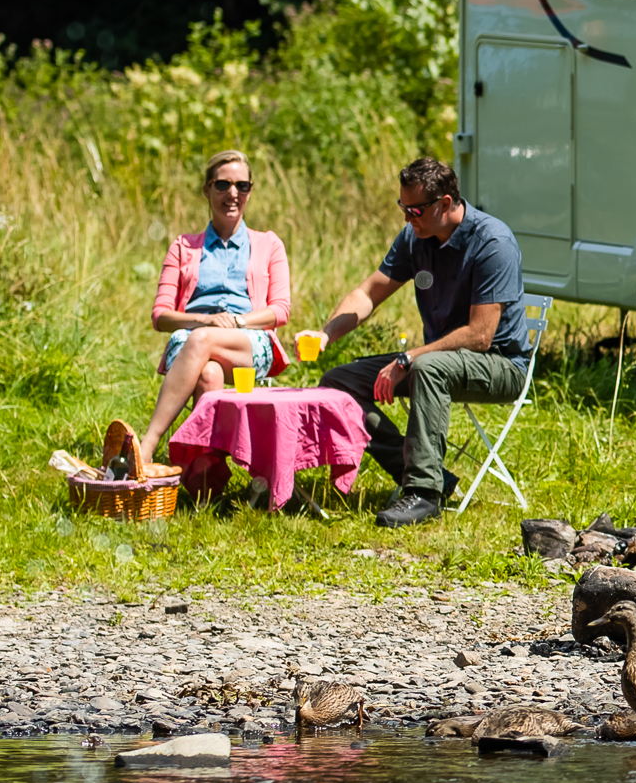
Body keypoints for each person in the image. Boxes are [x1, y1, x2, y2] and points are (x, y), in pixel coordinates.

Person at [302, 157, 531, 527]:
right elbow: (369, 293)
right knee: (338, 383)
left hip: (499, 364)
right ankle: (424, 473)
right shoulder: (416, 237)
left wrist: (409, 357)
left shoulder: (493, 242)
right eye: (402, 208)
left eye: (415, 210)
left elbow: (479, 334)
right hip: (435, 362)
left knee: (427, 366)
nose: (407, 218)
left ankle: (424, 494)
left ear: (444, 203)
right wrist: (326, 333)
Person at [137, 150, 291, 476]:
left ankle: (147, 445)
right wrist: (204, 321)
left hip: (248, 342)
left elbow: (280, 310)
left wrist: (237, 321)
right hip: (192, 338)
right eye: (222, 185)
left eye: (242, 185)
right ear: (207, 190)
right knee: (208, 373)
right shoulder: (183, 246)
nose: (232, 194)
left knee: (203, 341)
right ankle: (207, 471)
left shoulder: (268, 244)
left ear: (250, 190)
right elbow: (161, 316)